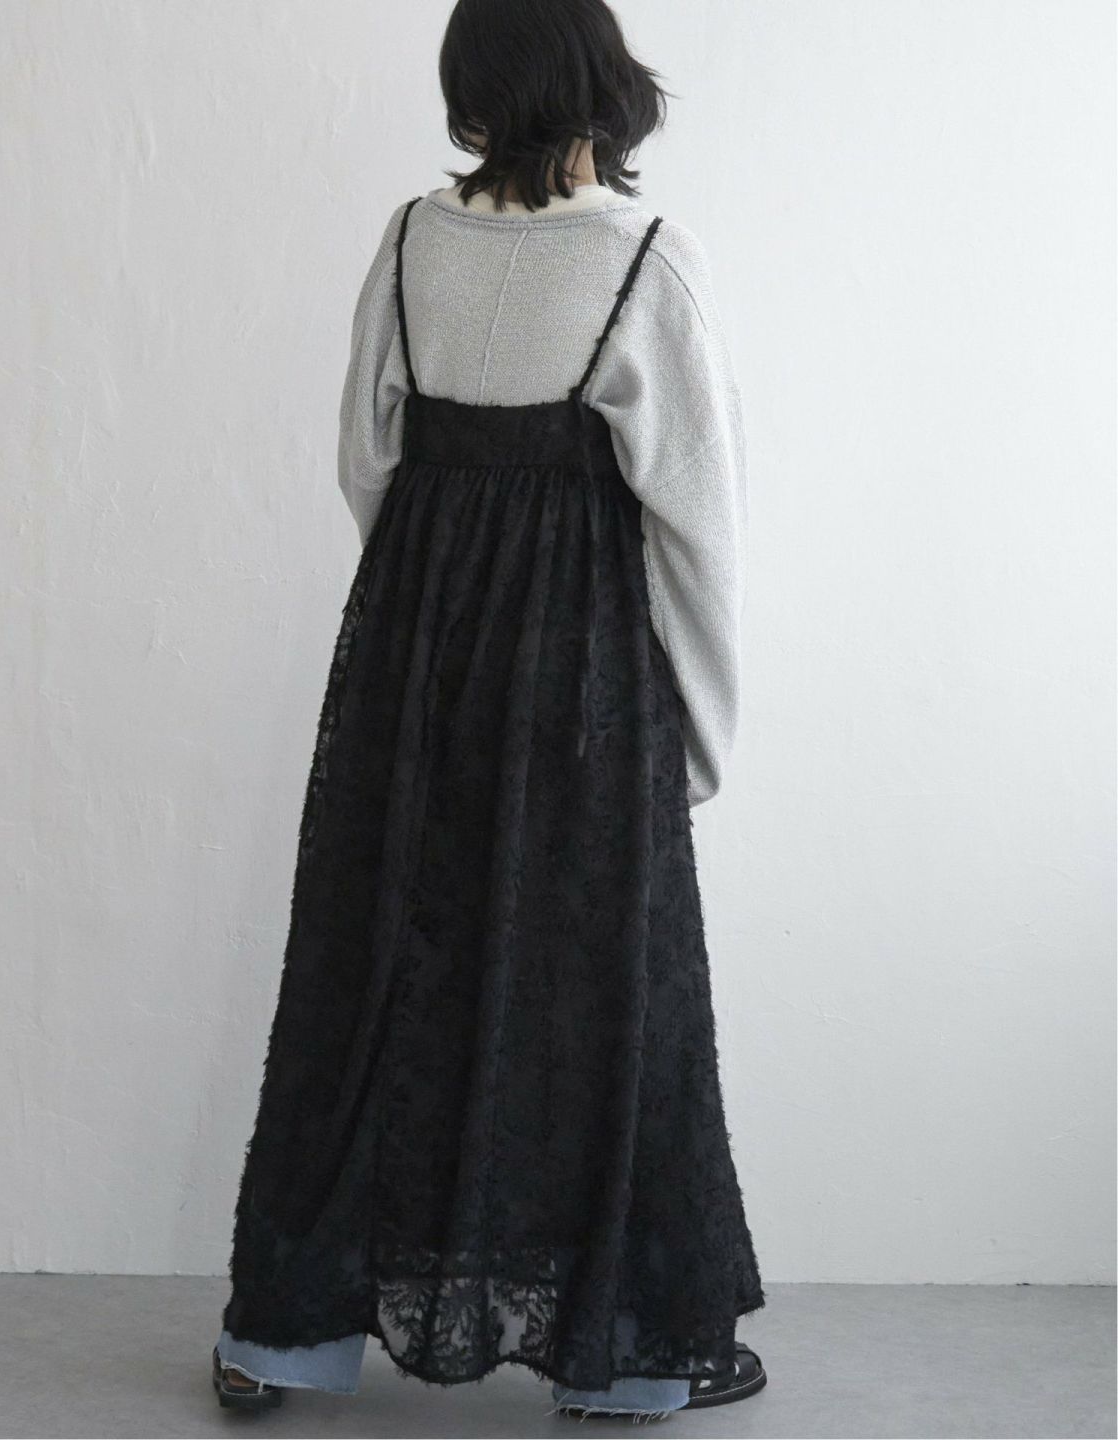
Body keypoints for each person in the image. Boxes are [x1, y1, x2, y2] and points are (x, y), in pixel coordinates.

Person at [211, 0, 767, 1420]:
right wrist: (700, 735)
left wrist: (430, 610)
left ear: (473, 86)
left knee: (371, 967)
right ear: (603, 85)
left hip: (411, 650)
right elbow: (699, 524)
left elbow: (367, 460)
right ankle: (624, 1361)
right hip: (584, 675)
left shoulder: (411, 241)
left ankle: (284, 1338)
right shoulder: (646, 259)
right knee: (596, 988)